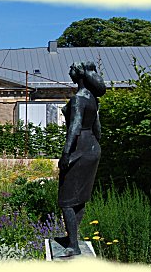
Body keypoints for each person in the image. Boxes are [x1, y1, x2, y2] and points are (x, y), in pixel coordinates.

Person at [55, 61, 106, 257]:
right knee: (80, 198)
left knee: (66, 200)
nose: (70, 73)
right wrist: (93, 147)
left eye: (71, 71)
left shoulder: (78, 99)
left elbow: (74, 128)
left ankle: (73, 245)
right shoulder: (92, 99)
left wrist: (66, 154)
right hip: (92, 147)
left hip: (80, 149)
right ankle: (72, 239)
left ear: (78, 75)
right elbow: (98, 129)